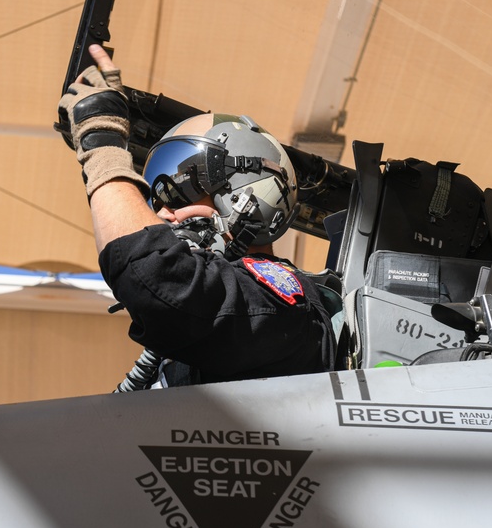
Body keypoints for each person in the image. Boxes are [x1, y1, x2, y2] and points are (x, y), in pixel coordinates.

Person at [58, 44, 335, 386]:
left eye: (178, 193)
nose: (161, 213)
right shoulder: (201, 325)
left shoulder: (286, 303)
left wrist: (102, 142)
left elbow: (157, 277)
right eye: (157, 198)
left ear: (247, 195)